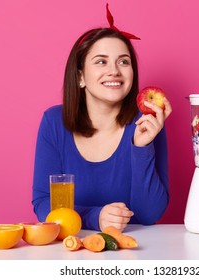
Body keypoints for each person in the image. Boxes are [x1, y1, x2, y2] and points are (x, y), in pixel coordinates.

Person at [32, 5, 172, 232]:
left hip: (137, 251)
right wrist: (94, 217)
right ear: (80, 77)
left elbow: (149, 214)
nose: (114, 71)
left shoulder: (148, 123)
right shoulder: (53, 121)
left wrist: (141, 147)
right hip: (70, 249)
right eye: (100, 61)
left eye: (123, 61)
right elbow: (43, 203)